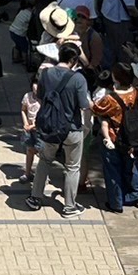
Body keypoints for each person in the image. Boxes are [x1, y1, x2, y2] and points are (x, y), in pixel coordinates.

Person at [26, 40, 90, 218]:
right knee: (72, 167)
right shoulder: (78, 79)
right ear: (74, 60)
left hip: (49, 127)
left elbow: (39, 96)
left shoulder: (45, 74)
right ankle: (69, 206)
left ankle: (35, 198)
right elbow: (84, 105)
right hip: (72, 129)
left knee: (45, 161)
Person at [91, 62, 138, 213]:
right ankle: (135, 195)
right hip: (133, 137)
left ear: (117, 78)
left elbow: (96, 109)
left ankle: (116, 203)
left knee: (112, 170)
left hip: (114, 137)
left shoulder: (110, 99)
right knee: (131, 166)